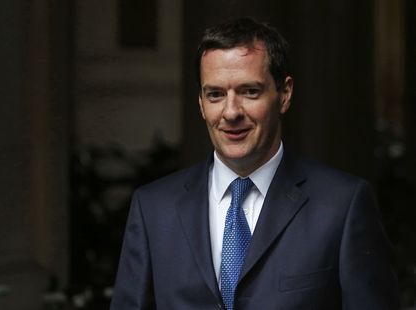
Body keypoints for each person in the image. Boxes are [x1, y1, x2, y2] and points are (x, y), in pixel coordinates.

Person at [110, 17, 400, 309]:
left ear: (284, 94)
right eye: (215, 95)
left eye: (250, 91)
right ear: (200, 103)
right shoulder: (153, 210)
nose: (231, 111)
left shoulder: (342, 206)